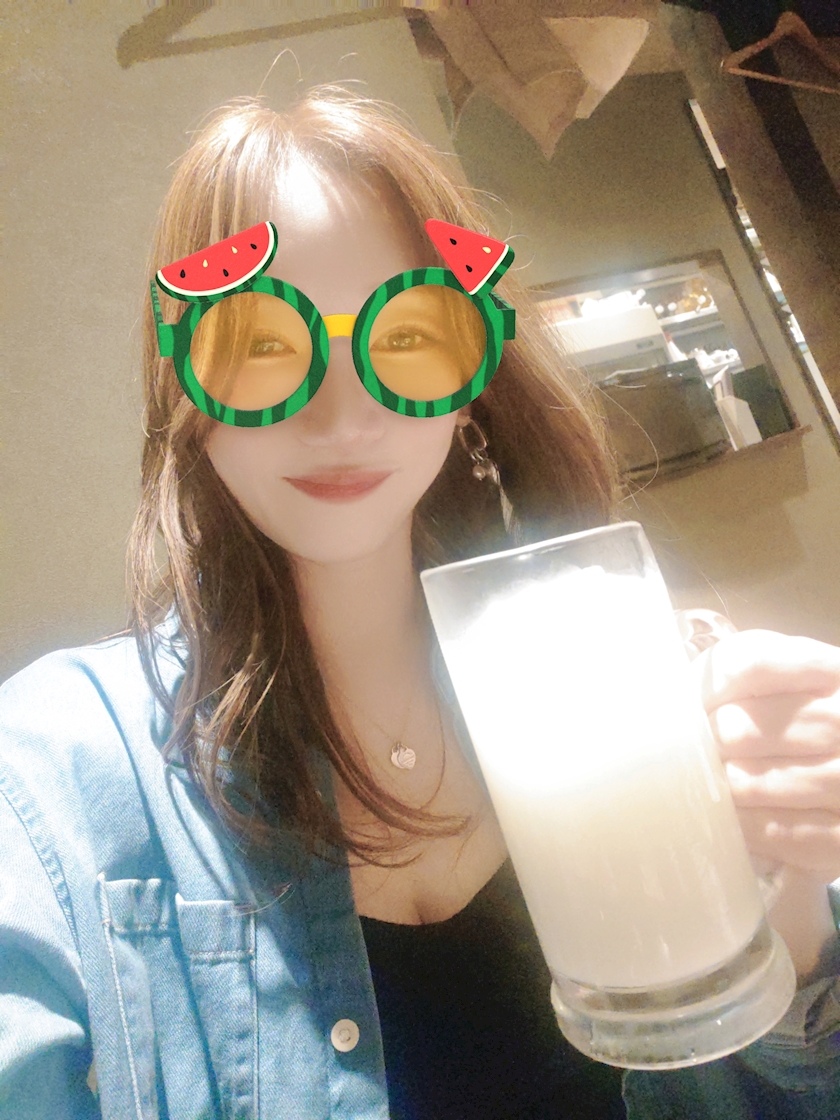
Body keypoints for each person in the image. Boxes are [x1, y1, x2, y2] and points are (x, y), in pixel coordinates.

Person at [1, 88, 839, 1120]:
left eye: (403, 336)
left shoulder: (629, 681)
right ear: (188, 390)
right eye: (260, 342)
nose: (341, 411)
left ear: (469, 376)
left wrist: (783, 913)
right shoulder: (51, 774)